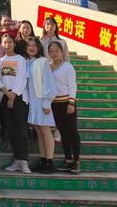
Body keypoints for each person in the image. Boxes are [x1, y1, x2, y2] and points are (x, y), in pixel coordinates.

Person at [0, 34, 31, 174]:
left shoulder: (21, 60)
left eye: (10, 42)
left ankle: (24, 161)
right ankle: (17, 160)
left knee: (22, 130)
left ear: (14, 43)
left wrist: (13, 96)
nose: (7, 45)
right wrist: (6, 94)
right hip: (5, 97)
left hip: (19, 97)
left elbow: (22, 78)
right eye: (5, 42)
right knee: (10, 130)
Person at [49, 41, 81, 175]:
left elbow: (72, 85)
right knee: (63, 132)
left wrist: (71, 102)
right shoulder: (48, 67)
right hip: (54, 104)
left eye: (57, 51)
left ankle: (76, 162)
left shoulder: (68, 67)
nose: (54, 53)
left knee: (72, 132)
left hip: (67, 102)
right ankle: (67, 159)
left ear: (62, 52)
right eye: (52, 51)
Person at [26, 36, 57, 174]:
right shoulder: (28, 62)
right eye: (29, 45)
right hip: (33, 101)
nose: (31, 48)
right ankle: (43, 159)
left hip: (42, 101)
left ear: (39, 48)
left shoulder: (43, 62)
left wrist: (47, 102)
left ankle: (49, 161)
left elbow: (49, 83)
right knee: (39, 131)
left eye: (34, 46)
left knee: (45, 130)